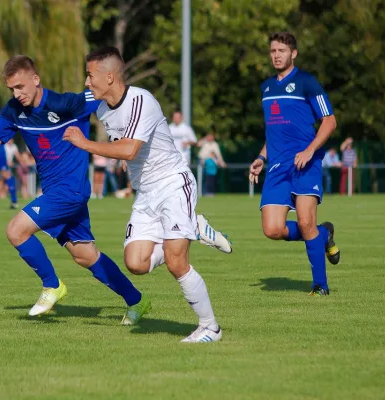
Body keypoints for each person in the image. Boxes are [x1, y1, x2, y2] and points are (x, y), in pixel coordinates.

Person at [63, 47, 231, 343]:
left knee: (176, 261)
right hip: (146, 193)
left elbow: (129, 148)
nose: (87, 82)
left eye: (90, 76)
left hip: (173, 184)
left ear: (110, 76)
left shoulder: (141, 100)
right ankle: (194, 227)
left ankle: (210, 328)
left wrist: (85, 144)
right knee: (136, 263)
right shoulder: (102, 109)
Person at [0, 55, 150, 323]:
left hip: (70, 191)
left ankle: (52, 285)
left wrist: (126, 142)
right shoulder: (13, 111)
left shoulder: (69, 103)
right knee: (85, 256)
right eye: (12, 89)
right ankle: (138, 300)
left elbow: (115, 96)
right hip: (55, 192)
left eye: (21, 86)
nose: (16, 93)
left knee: (16, 230)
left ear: (36, 80)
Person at [248, 32, 340, 297]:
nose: (276, 55)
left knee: (304, 220)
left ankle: (320, 286)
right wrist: (261, 158)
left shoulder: (307, 82)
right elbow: (274, 131)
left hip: (305, 163)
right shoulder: (266, 88)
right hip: (277, 167)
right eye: (273, 51)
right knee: (272, 228)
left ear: (294, 53)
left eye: (282, 50)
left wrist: (310, 150)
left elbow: (330, 121)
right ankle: (323, 234)